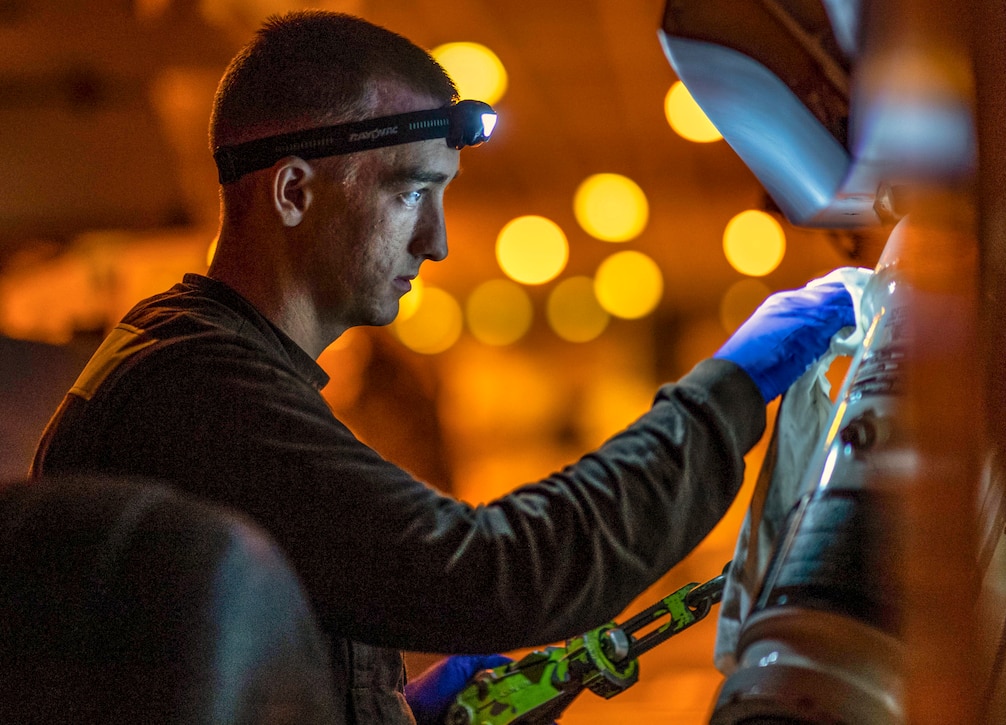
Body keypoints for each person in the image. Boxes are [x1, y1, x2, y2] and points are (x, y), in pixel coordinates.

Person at [30, 10, 855, 725]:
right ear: (291, 192)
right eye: (410, 193)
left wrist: (389, 707)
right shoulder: (195, 390)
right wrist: (730, 388)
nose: (438, 241)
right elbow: (498, 571)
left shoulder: (200, 364)